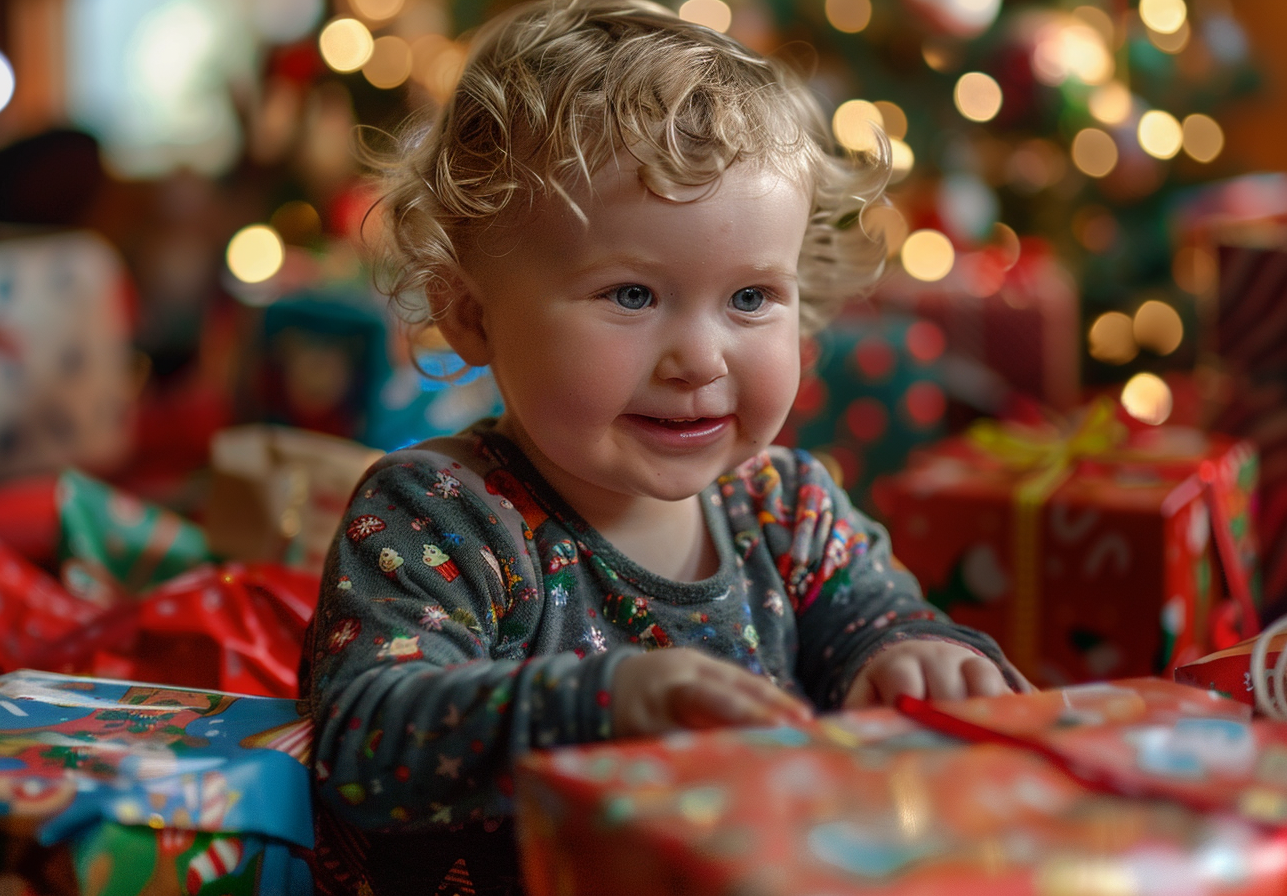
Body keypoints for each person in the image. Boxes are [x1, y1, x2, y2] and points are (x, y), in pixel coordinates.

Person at [300, 1, 1025, 893]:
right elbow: (364, 744)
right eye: (633, 296)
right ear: (473, 314)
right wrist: (610, 704)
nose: (700, 359)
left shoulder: (788, 509)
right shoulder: (439, 516)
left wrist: (913, 655)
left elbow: (877, 621)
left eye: (752, 297)